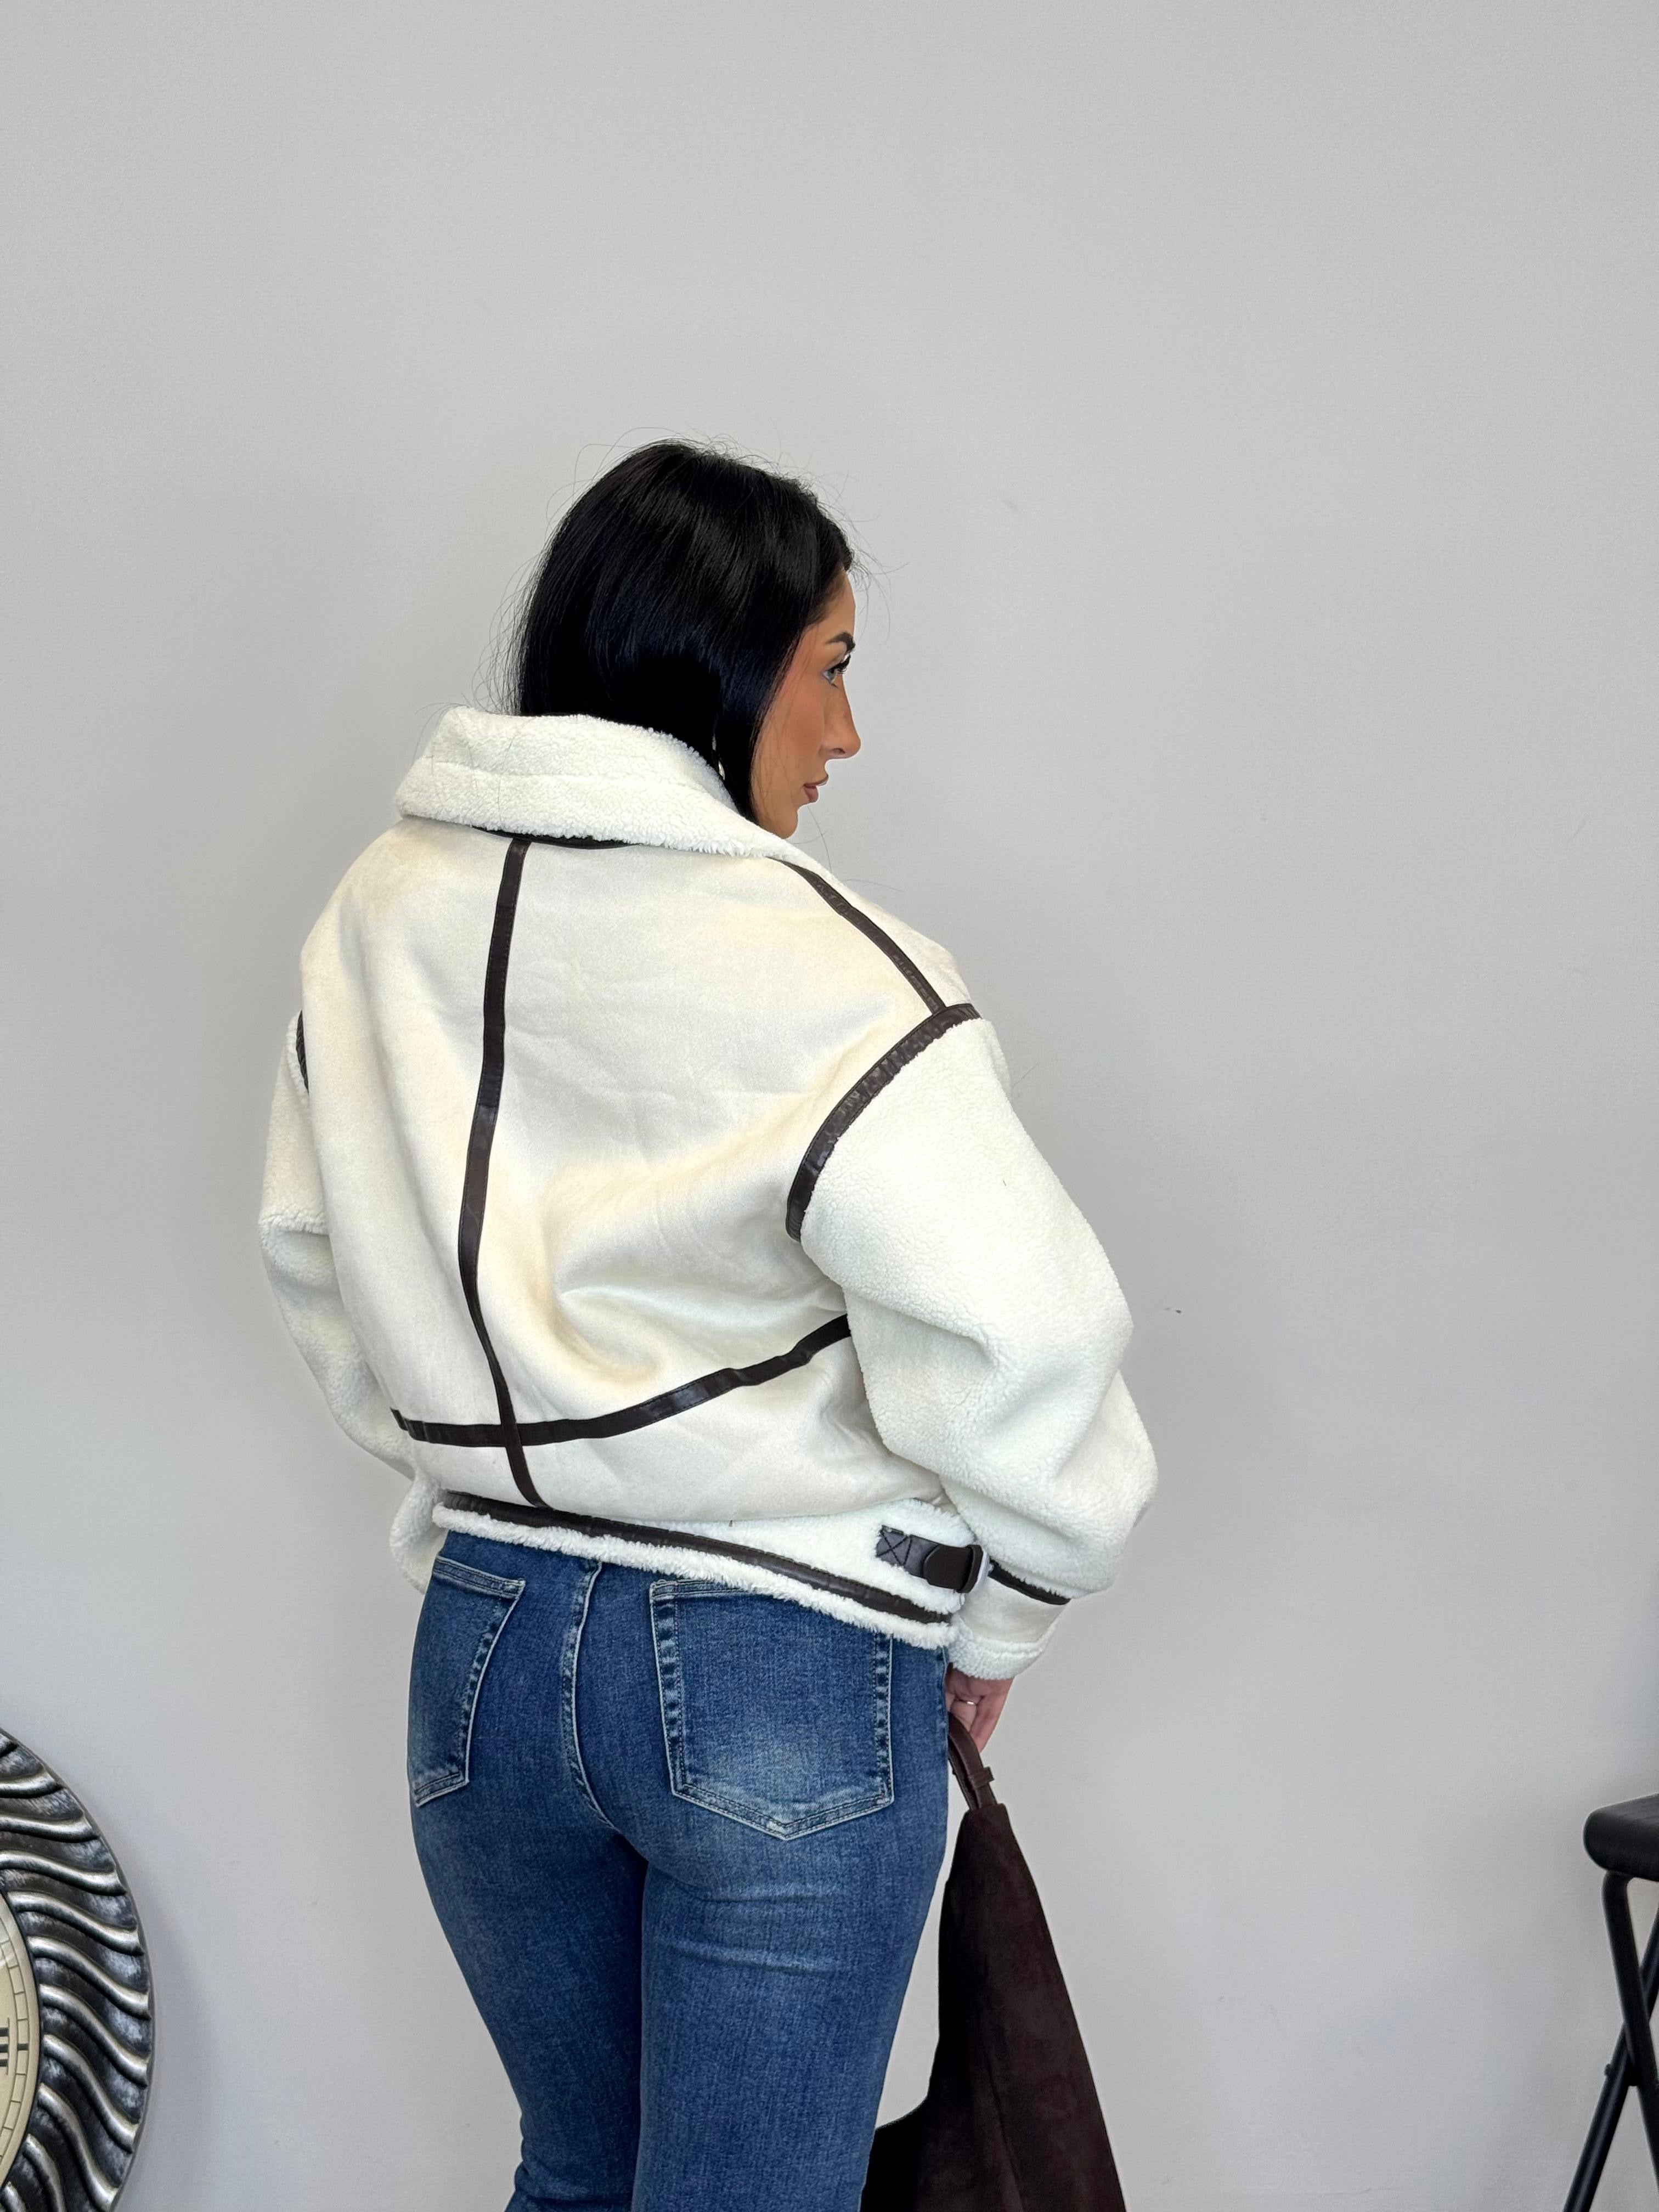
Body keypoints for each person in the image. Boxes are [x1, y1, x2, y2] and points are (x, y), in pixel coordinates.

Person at [257, 440, 1156, 2212]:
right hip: (782, 1665)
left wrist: (499, 1485)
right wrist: (1004, 1613)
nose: (846, 734)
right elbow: (1028, 1340)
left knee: (580, 2178)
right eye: (829, 667)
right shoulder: (834, 963)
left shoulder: (378, 916)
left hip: (485, 1655)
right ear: (724, 665)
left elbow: (318, 1259)